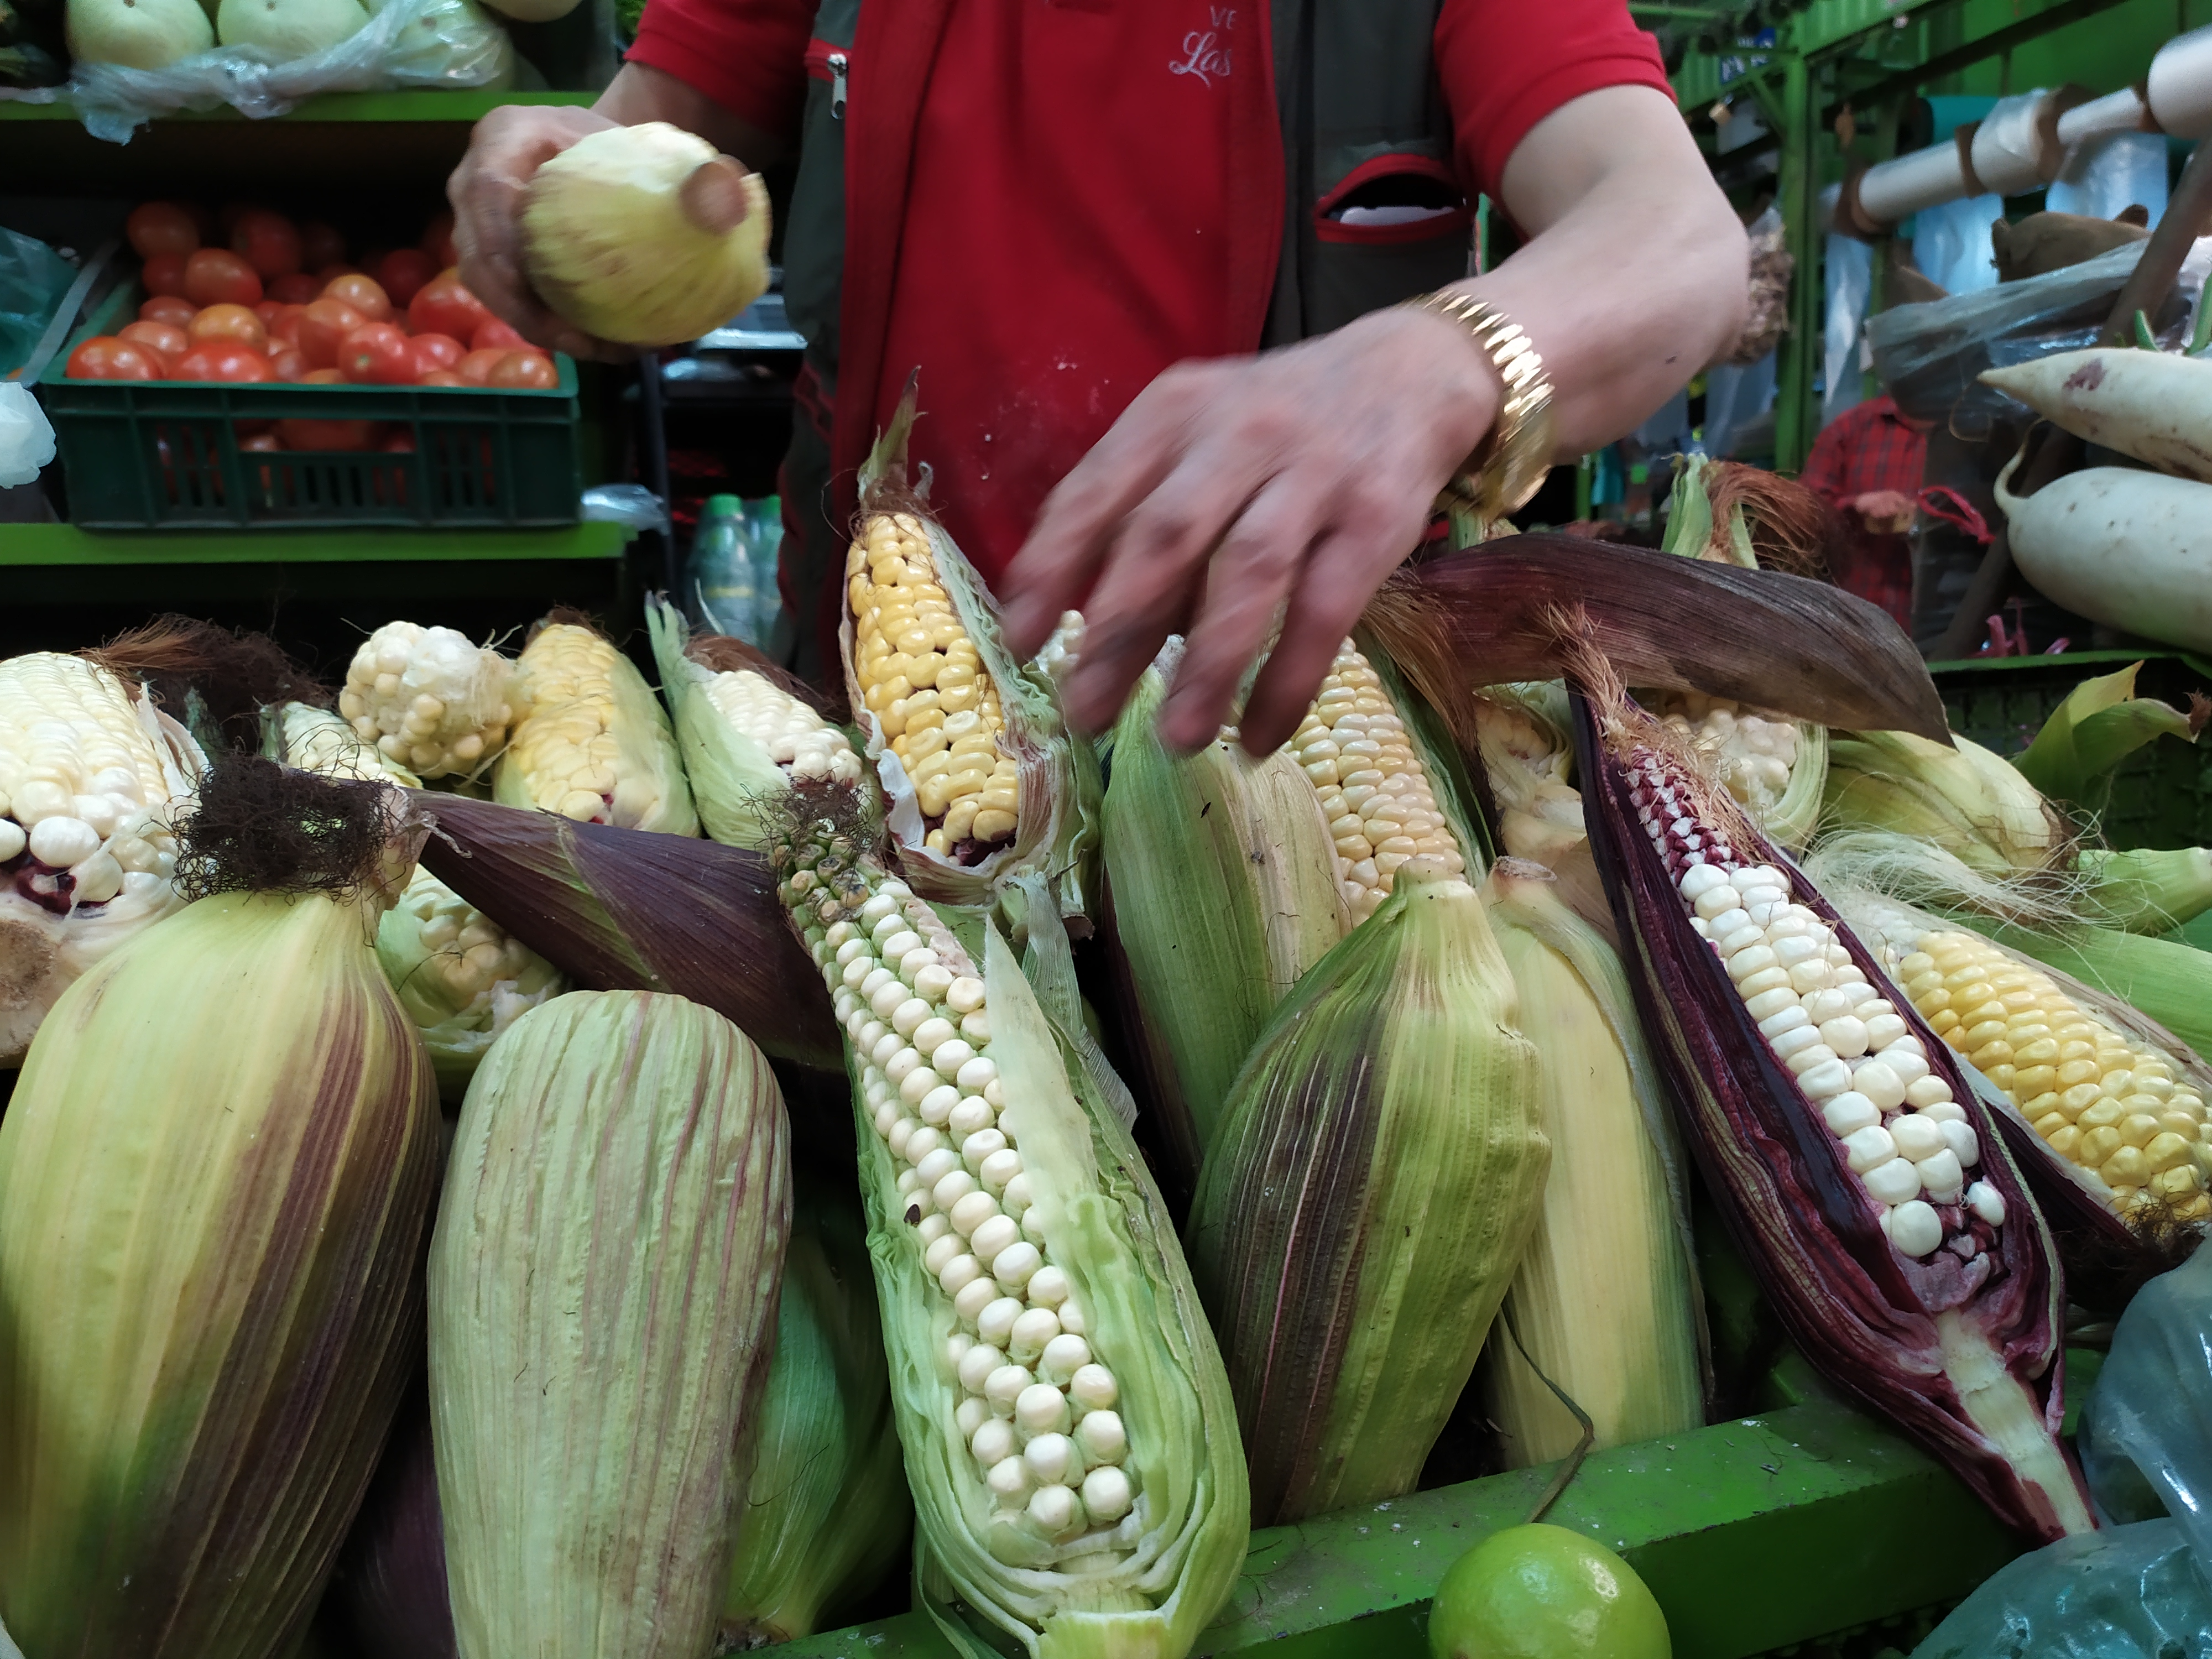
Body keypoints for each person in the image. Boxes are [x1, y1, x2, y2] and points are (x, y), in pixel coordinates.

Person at [448, 0, 1746, 755]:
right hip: (875, 726)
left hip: (1279, 761)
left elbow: (1678, 244)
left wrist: (1442, 357)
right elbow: (644, 137)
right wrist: (556, 176)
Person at [1796, 393, 1931, 630]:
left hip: (1940, 627)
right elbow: (1802, 511)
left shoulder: (1973, 430)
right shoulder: (1852, 427)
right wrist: (1856, 505)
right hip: (1850, 621)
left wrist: (1930, 516)